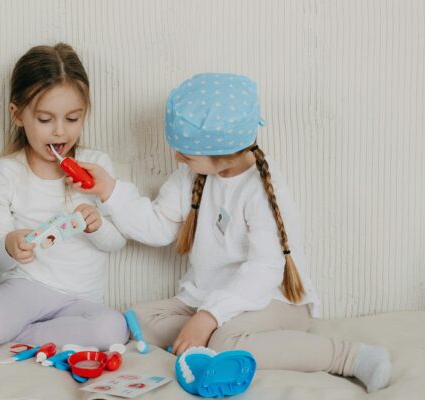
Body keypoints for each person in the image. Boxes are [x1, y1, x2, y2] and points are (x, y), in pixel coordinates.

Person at [69, 73, 392, 392]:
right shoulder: (191, 175)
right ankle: (210, 333)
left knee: (225, 341)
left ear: (223, 157)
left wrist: (209, 316)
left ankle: (349, 356)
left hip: (272, 301)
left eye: (186, 154)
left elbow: (264, 271)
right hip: (213, 297)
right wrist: (108, 190)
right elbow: (158, 226)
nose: (176, 157)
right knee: (140, 320)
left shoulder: (261, 191)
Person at [0, 43, 128, 350]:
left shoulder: (97, 166)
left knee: (113, 329)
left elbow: (117, 242)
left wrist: (98, 226)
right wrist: (10, 245)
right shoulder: (6, 171)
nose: (60, 132)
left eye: (73, 118)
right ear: (17, 115)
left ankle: (17, 335)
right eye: (46, 120)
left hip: (81, 298)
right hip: (25, 288)